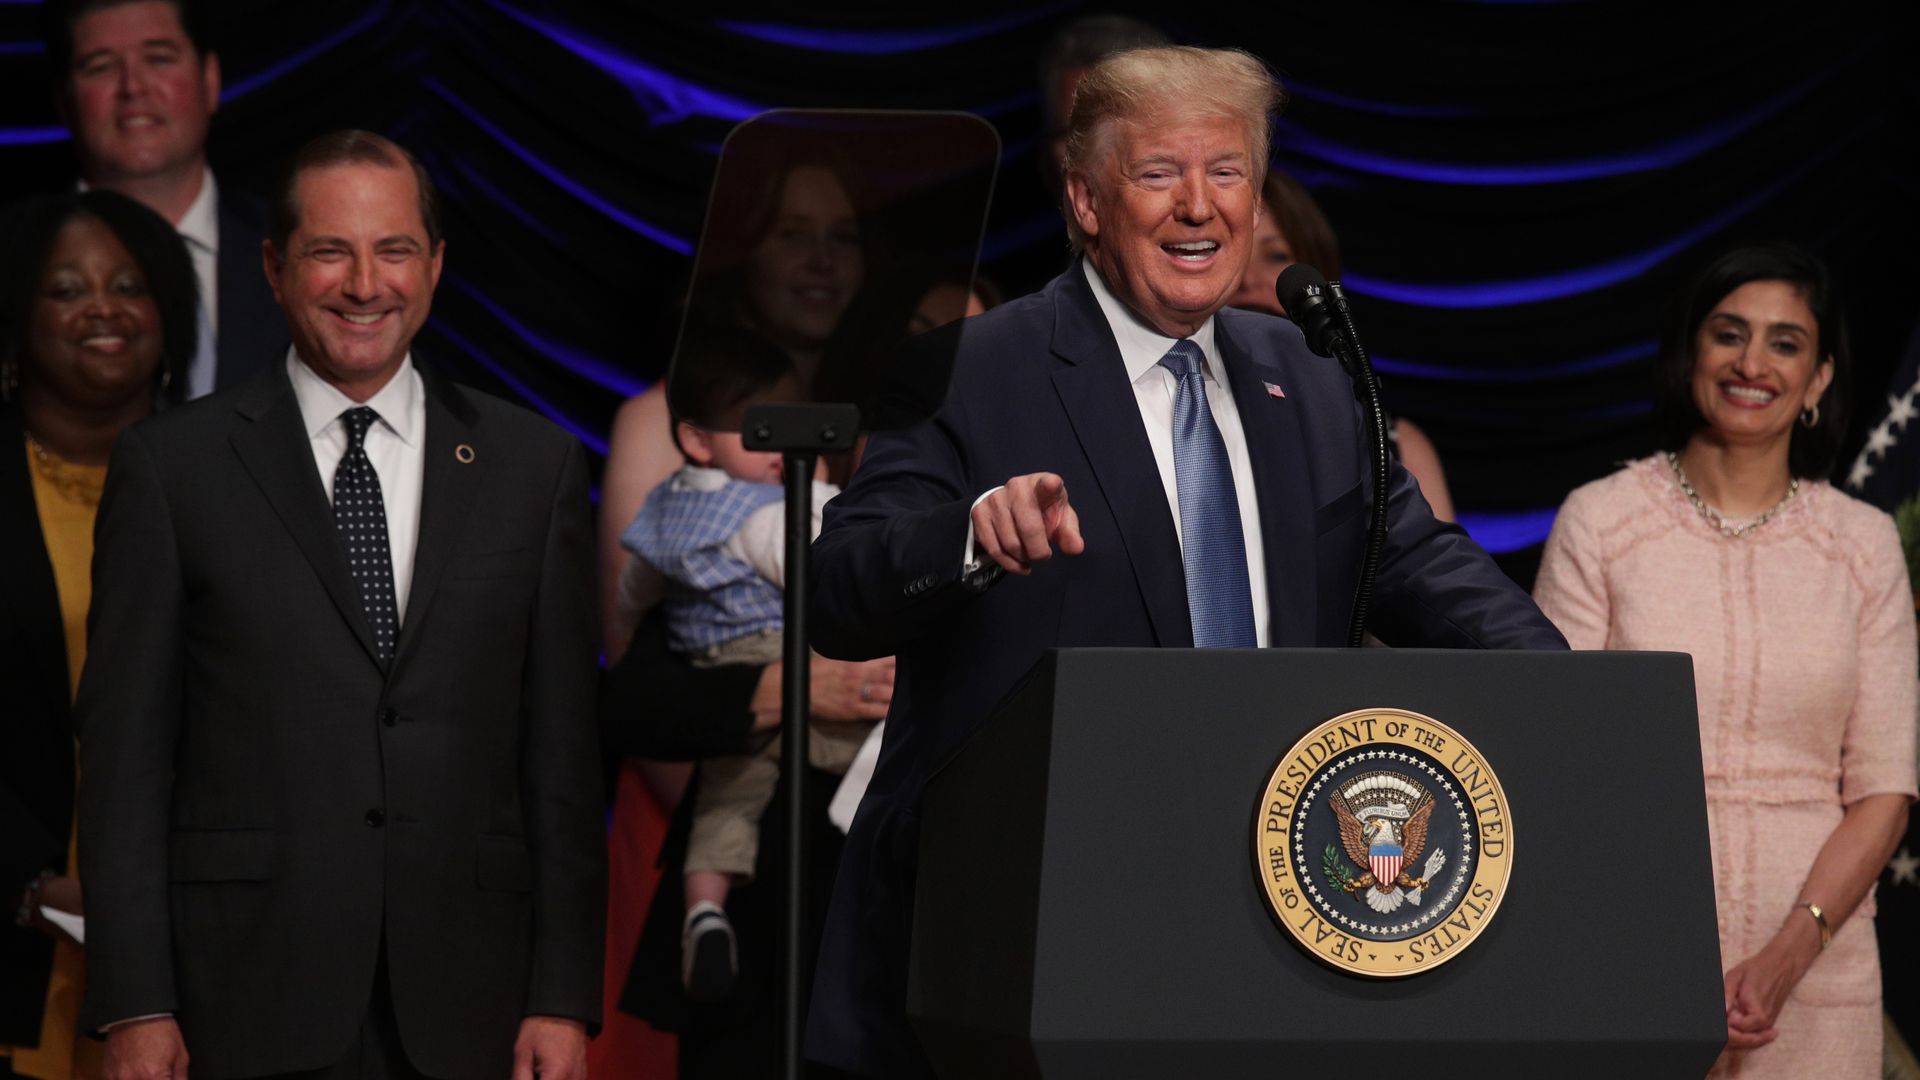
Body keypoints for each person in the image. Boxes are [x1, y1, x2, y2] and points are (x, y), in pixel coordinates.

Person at [804, 46, 1567, 1077]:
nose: (1199, 206)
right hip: (1031, 929)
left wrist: (1573, 700)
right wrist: (971, 534)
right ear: (1086, 199)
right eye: (1159, 173)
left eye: (1227, 172)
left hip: (1269, 914)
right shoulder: (974, 368)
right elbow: (841, 589)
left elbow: (1418, 564)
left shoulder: (1310, 374)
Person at [73, 130, 604, 1079]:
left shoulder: (535, 467)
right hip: (238, 999)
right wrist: (135, 1002)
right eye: (330, 251)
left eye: (394, 249)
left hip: (472, 1004)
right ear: (274, 268)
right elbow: (126, 762)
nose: (365, 284)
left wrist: (562, 996)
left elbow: (562, 756)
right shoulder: (173, 468)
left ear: (434, 265)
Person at [1533, 244, 1914, 1079]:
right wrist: (1664, 961)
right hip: (1630, 952)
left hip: (1815, 972)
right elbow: (1560, 762)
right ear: (1690, 353)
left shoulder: (1862, 544)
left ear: (1818, 379)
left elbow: (1884, 790)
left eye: (1786, 343)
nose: (1752, 363)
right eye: (1729, 334)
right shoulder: (1601, 521)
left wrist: (1783, 960)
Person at [0, 189, 194, 1080]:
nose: (103, 309)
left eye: (128, 286)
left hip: (203, 958)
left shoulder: (236, 482)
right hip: (21, 952)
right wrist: (28, 887)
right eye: (67, 289)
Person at [617, 327, 866, 1005]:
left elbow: (635, 589)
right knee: (864, 747)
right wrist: (821, 497)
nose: (785, 446)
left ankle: (705, 907)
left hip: (716, 660)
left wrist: (635, 621)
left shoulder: (670, 505)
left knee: (731, 792)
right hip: (777, 657)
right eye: (763, 430)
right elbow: (817, 574)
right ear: (698, 440)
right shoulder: (765, 512)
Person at [40, 0, 284, 399]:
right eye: (100, 66)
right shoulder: (18, 261)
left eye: (159, 58)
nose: (133, 87)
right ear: (65, 101)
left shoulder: (297, 250)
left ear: (210, 79)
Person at [1226, 167, 1455, 519]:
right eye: (1234, 253)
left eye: (1276, 256)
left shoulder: (1392, 445)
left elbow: (1435, 553)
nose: (1249, 280)